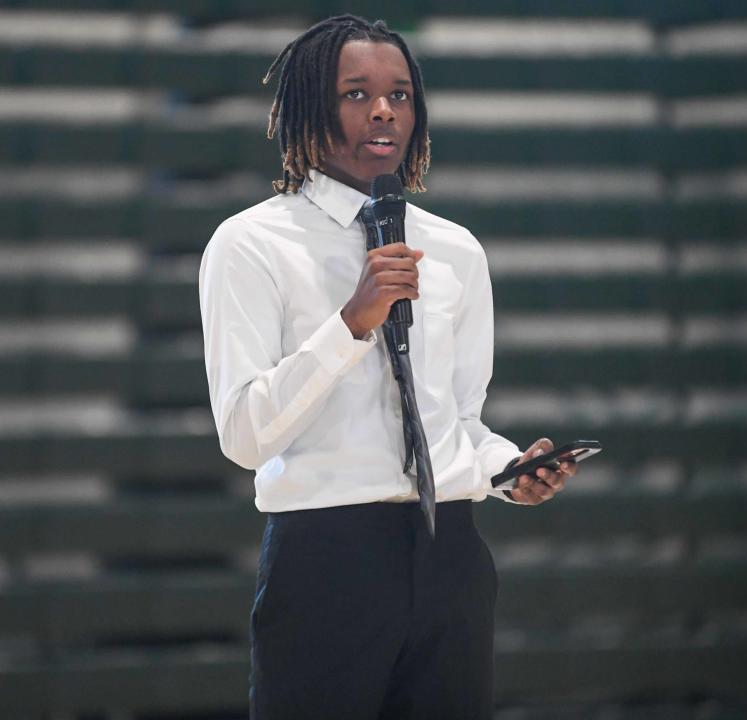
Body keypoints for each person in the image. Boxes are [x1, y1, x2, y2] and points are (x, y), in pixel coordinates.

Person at [198, 14, 578, 720]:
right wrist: (351, 324)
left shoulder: (456, 250)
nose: (383, 110)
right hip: (326, 563)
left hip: (451, 560)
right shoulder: (250, 244)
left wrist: (506, 470)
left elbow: (458, 420)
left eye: (400, 95)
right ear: (310, 106)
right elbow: (246, 435)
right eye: (355, 93)